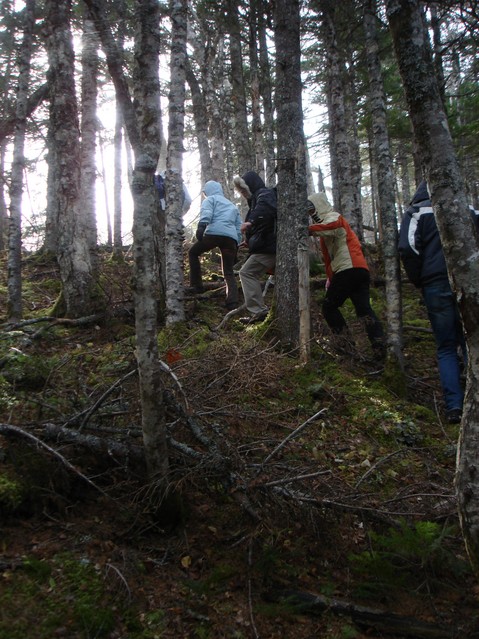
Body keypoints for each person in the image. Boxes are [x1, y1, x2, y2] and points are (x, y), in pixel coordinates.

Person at [398, 180, 478, 424]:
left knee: (446, 347)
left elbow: (408, 248)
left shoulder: (416, 213)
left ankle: (454, 407)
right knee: (472, 341)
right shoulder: (467, 209)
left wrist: (419, 280)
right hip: (469, 281)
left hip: (435, 284)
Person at [307, 192, 385, 359]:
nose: (312, 214)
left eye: (313, 210)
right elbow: (329, 259)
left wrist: (306, 230)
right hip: (356, 270)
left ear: (319, 206)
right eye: (309, 212)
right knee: (364, 310)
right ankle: (379, 351)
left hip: (349, 270)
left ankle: (347, 348)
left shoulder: (334, 217)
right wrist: (330, 277)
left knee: (329, 307)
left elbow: (330, 226)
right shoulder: (325, 230)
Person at [188, 180, 242, 310]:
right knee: (228, 271)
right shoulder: (232, 205)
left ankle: (197, 286)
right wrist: (237, 243)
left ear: (207, 191)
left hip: (214, 234)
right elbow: (238, 226)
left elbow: (207, 213)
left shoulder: (210, 200)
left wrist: (201, 226)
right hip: (230, 238)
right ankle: (232, 302)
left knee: (193, 253)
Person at [233, 171, 277, 324]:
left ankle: (258, 311)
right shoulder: (257, 199)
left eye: (244, 190)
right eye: (241, 192)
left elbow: (265, 211)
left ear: (250, 187)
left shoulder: (264, 195)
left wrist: (250, 222)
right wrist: (249, 241)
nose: (243, 194)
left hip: (270, 247)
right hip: (268, 245)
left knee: (246, 273)